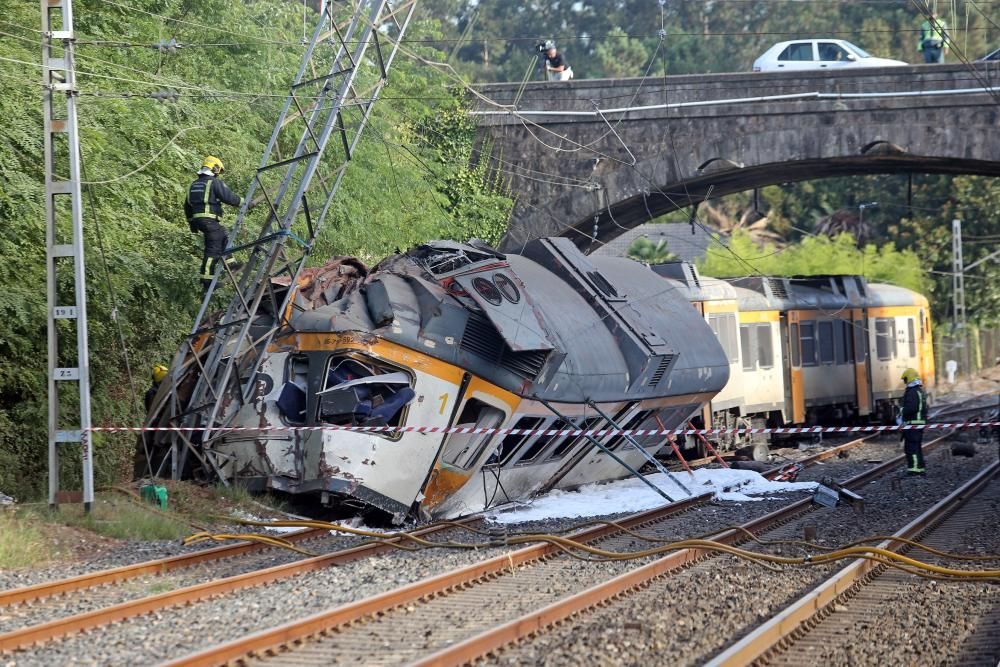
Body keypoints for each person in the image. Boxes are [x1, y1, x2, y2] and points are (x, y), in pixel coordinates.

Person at [184, 156, 243, 290]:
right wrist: (245, 203)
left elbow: (187, 206)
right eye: (218, 171)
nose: (218, 174)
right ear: (214, 168)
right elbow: (228, 197)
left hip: (200, 221)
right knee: (213, 250)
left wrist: (192, 223)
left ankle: (231, 264)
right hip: (209, 220)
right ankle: (207, 280)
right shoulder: (214, 183)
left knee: (223, 235)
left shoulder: (193, 185)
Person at [899, 367, 927, 475]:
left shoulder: (912, 392)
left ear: (909, 378)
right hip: (918, 423)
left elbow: (911, 408)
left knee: (911, 447)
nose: (905, 382)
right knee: (916, 447)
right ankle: (920, 468)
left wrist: (902, 410)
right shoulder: (919, 390)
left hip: (913, 424)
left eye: (905, 379)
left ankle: (914, 469)